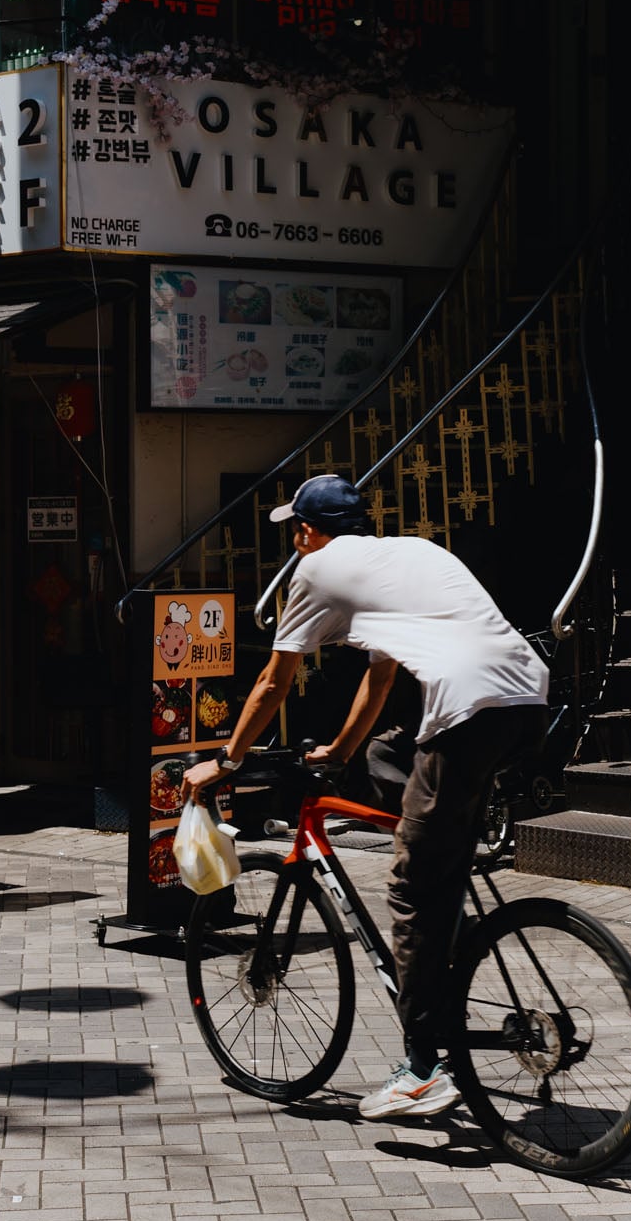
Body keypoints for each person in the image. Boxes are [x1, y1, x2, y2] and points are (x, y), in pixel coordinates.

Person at [183, 474, 549, 1121]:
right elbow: (379, 681)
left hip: (466, 713)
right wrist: (341, 752)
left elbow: (273, 682)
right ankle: (449, 931)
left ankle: (422, 1069)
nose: (294, 541)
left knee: (408, 889)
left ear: (305, 530)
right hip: (527, 700)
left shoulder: (315, 569)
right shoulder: (409, 555)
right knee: (388, 761)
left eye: (295, 531)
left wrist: (226, 761)